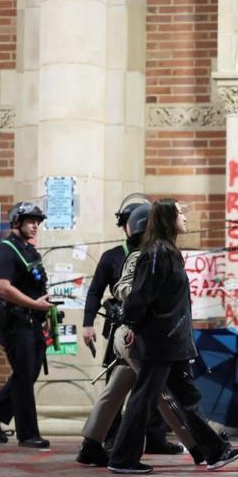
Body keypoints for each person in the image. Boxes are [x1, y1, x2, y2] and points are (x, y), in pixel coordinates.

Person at [107, 198, 238, 474]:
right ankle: (123, 458)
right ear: (168, 218)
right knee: (144, 398)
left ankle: (215, 451)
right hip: (162, 340)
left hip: (173, 340)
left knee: (187, 397)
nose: (185, 218)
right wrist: (130, 323)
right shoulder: (157, 252)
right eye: (180, 213)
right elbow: (142, 295)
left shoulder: (167, 251)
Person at [77, 203, 213, 467]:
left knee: (116, 389)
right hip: (135, 332)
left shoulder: (144, 253)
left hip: (132, 330)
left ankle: (91, 444)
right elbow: (131, 295)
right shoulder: (146, 256)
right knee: (160, 392)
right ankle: (199, 446)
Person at [80, 194, 181, 456]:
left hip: (142, 328)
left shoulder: (153, 253)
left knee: (128, 387)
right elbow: (96, 292)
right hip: (129, 330)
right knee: (152, 388)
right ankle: (112, 441)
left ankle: (100, 443)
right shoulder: (121, 256)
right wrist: (87, 324)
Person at [0, 201, 52, 448]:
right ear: (17, 222)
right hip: (15, 321)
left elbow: (36, 285)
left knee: (29, 373)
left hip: (32, 321)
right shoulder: (5, 251)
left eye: (38, 222)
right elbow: (2, 287)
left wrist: (44, 315)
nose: (35, 226)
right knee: (23, 375)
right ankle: (27, 434)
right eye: (31, 221)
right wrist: (34, 305)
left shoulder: (29, 251)